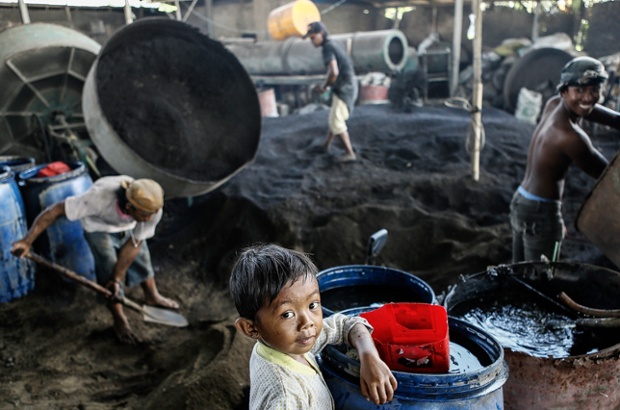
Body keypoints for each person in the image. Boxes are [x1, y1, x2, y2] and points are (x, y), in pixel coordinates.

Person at [11, 175, 179, 344]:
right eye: (145, 215)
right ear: (129, 206)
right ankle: (119, 317)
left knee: (141, 255)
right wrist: (27, 241)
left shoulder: (152, 208)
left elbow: (135, 243)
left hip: (128, 225)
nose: (150, 218)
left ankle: (152, 295)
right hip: (98, 228)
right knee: (107, 265)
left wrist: (118, 278)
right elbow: (55, 211)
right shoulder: (98, 198)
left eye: (152, 214)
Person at [229, 244, 397, 409]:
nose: (307, 322)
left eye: (312, 305)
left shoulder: (286, 344)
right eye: (287, 314)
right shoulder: (287, 398)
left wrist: (369, 357)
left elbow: (346, 323)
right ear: (250, 328)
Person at [510, 56, 620, 263]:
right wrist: (550, 220)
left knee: (519, 273)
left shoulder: (554, 104)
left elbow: (613, 119)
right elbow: (608, 178)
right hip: (541, 212)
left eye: (594, 89)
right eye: (579, 90)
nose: (587, 97)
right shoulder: (571, 138)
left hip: (521, 201)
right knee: (542, 280)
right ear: (564, 91)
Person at [305, 21, 359, 162]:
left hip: (344, 88)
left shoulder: (327, 48)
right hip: (348, 84)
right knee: (333, 117)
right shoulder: (334, 43)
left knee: (337, 121)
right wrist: (328, 84)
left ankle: (350, 153)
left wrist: (324, 87)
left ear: (321, 34)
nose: (312, 41)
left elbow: (334, 72)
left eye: (312, 37)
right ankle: (327, 145)